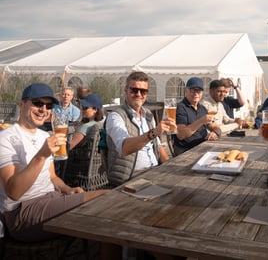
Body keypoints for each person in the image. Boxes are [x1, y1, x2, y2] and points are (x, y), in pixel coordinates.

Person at [0, 83, 108, 243]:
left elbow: (52, 176)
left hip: (52, 198)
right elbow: (14, 192)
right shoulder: (6, 138)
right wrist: (41, 155)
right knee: (106, 197)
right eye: (37, 103)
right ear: (22, 104)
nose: (43, 109)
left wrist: (67, 189)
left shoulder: (44, 135)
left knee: (106, 213)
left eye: (49, 105)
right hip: (22, 211)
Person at [105, 71, 175, 187]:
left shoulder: (147, 115)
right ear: (125, 91)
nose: (138, 94)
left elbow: (157, 146)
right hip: (130, 179)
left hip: (154, 172)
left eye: (143, 91)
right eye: (134, 90)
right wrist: (153, 133)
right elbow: (124, 148)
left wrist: (170, 168)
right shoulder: (116, 116)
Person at [173, 77, 219, 156]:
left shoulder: (202, 108)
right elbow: (181, 135)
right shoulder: (180, 108)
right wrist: (201, 121)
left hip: (203, 147)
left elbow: (216, 128)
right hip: (187, 151)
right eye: (193, 90)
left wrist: (214, 133)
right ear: (186, 91)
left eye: (199, 91)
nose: (196, 94)